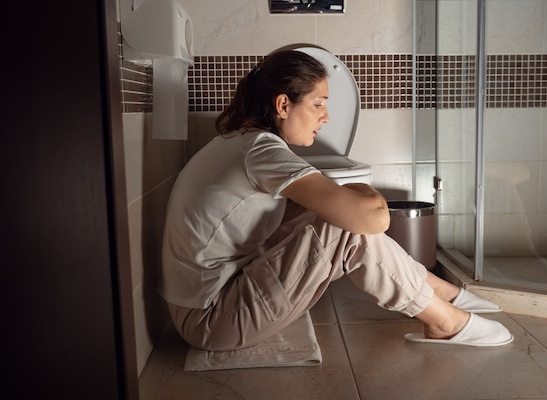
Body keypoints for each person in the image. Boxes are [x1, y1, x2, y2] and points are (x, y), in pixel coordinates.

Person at [159, 49, 514, 351]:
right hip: (211, 319)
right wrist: (361, 191)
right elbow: (374, 219)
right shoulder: (261, 150)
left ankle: (442, 292)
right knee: (348, 228)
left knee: (332, 218)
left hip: (207, 303)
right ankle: (444, 320)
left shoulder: (239, 140)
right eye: (318, 104)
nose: (325, 117)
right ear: (283, 104)